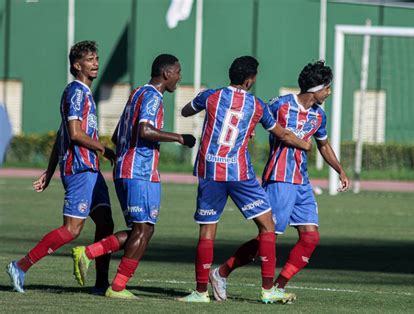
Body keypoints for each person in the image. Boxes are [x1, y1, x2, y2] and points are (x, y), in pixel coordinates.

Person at [210, 60, 350, 301]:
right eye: (327, 87)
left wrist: (339, 170)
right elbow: (254, 114)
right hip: (279, 179)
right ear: (316, 89)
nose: (329, 92)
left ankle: (278, 286)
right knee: (268, 237)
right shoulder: (281, 105)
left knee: (310, 237)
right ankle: (222, 273)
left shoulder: (319, 116)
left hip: (302, 182)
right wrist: (250, 129)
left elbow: (323, 145)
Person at [177, 56, 312, 304]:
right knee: (267, 226)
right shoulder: (257, 106)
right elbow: (281, 133)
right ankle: (268, 289)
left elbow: (185, 111)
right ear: (249, 80)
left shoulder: (211, 96)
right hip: (239, 174)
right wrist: (305, 144)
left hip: (210, 171)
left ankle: (200, 292)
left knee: (207, 232)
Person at [71, 54, 196, 299]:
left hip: (124, 170)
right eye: (178, 72)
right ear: (166, 73)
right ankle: (114, 284)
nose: (180, 78)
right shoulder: (153, 96)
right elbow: (145, 130)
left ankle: (92, 256)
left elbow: (118, 135)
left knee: (143, 230)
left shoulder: (137, 92)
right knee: (144, 230)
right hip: (139, 171)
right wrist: (180, 138)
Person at [6, 41, 116, 294]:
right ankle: (19, 266)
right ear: (77, 66)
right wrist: (103, 148)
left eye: (96, 58)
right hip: (79, 169)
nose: (96, 63)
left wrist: (49, 170)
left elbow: (61, 135)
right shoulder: (76, 92)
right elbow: (75, 134)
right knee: (72, 229)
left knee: (106, 222)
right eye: (90, 59)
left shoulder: (84, 93)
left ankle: (101, 283)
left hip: (91, 169)